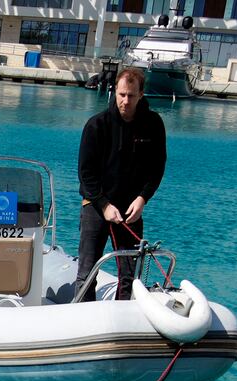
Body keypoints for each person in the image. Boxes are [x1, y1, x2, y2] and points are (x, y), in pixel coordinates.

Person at [74, 67, 166, 301]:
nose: (125, 101)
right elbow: (86, 174)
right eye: (122, 94)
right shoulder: (97, 125)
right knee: (87, 273)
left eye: (131, 96)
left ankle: (121, 319)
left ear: (141, 94)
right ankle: (83, 321)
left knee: (129, 275)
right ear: (115, 91)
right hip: (96, 205)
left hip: (130, 210)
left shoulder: (153, 124)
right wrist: (104, 205)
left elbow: (157, 167)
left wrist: (143, 198)